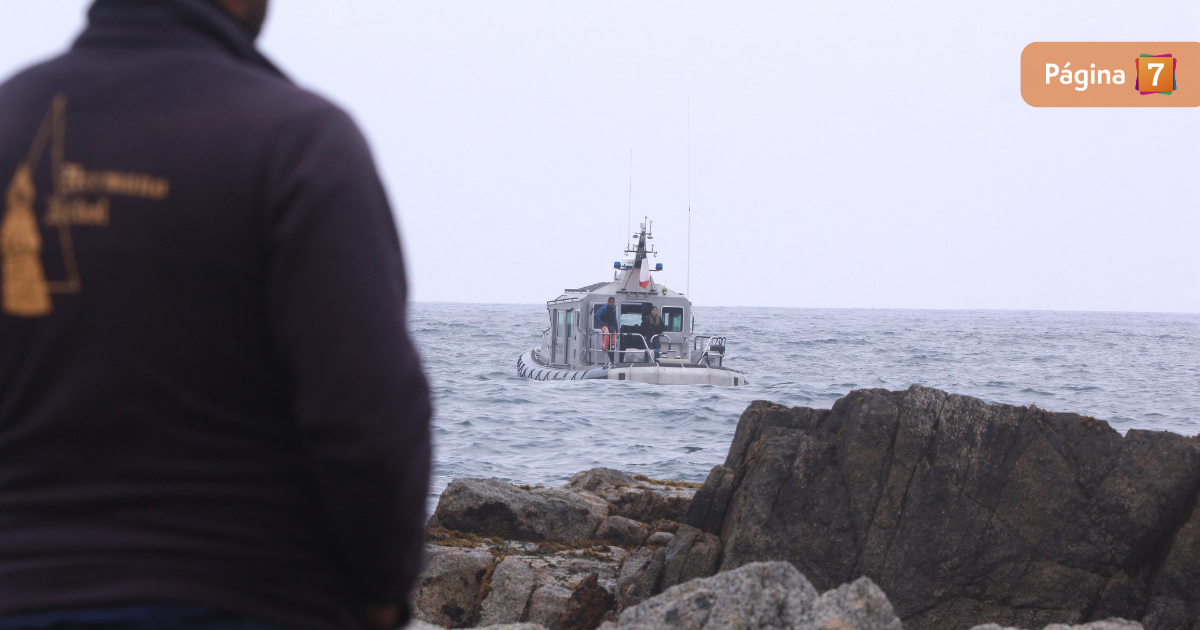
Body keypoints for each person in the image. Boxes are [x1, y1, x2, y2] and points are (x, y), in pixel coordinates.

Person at [0, 2, 431, 630]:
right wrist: (381, 591)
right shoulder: (297, 141)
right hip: (252, 593)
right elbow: (368, 422)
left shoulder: (11, 122)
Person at [593, 297, 618, 362]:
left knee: (612, 345)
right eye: (611, 302)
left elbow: (615, 320)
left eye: (613, 302)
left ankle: (612, 360)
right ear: (608, 302)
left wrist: (617, 331)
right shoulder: (604, 308)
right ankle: (611, 361)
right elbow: (596, 316)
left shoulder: (613, 309)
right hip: (606, 328)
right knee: (609, 345)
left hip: (612, 329)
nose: (613, 303)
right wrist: (602, 324)